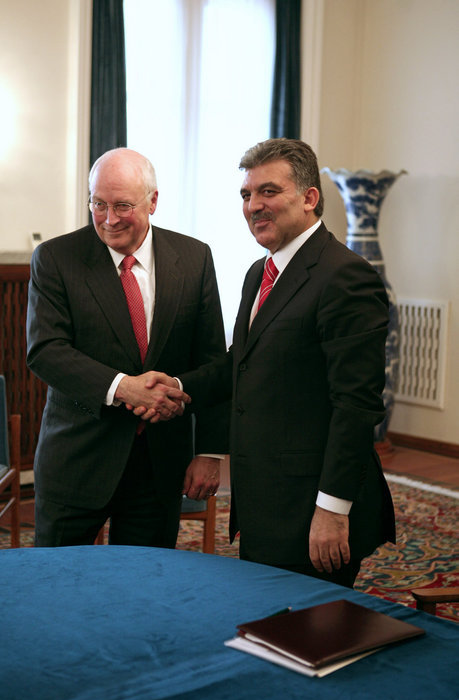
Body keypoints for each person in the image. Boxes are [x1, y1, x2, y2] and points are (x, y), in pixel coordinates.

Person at [143, 138, 396, 587]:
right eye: (246, 194)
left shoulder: (345, 277)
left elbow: (355, 408)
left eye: (268, 192)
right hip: (264, 501)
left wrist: (333, 510)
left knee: (311, 639)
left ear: (309, 198)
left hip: (312, 505)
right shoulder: (258, 274)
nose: (254, 205)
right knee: (268, 632)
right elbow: (238, 365)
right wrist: (176, 385)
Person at [27, 148, 228, 548]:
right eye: (98, 204)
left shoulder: (194, 258)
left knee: (144, 589)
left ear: (153, 201)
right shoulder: (55, 258)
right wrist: (124, 387)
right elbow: (46, 350)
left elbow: (212, 361)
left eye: (122, 205)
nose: (109, 218)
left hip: (158, 465)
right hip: (77, 459)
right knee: (59, 588)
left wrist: (210, 451)